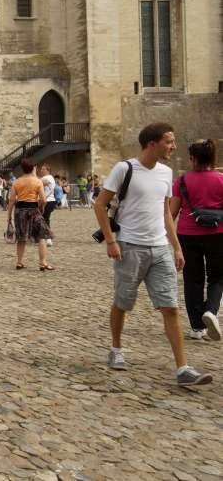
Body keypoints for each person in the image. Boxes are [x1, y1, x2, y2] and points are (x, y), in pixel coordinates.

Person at [94, 122, 212, 386]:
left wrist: (176, 246)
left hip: (159, 248)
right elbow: (100, 205)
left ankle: (183, 368)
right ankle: (116, 349)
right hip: (130, 247)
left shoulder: (166, 173)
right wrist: (111, 241)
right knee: (122, 302)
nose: (173, 146)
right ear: (152, 144)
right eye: (169, 142)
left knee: (170, 307)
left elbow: (166, 213)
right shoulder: (124, 169)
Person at [169, 139, 223, 341]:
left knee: (192, 280)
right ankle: (211, 310)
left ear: (192, 158)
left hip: (188, 234)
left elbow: (172, 212)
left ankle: (197, 327)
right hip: (218, 234)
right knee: (218, 277)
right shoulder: (221, 179)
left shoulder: (182, 181)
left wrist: (170, 239)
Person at [6, 158, 53, 271]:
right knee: (42, 236)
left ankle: (19, 262)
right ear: (32, 168)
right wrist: (41, 208)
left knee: (21, 237)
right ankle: (42, 262)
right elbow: (43, 200)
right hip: (33, 210)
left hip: (20, 211)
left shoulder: (17, 182)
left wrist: (9, 217)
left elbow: (11, 201)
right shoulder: (37, 181)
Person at [40, 164, 57, 245]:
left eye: (43, 169)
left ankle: (48, 238)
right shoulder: (47, 177)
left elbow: (42, 182)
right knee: (43, 219)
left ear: (48, 170)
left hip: (48, 201)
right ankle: (43, 236)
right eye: (41, 169)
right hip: (47, 201)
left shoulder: (48, 177)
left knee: (44, 219)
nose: (41, 170)